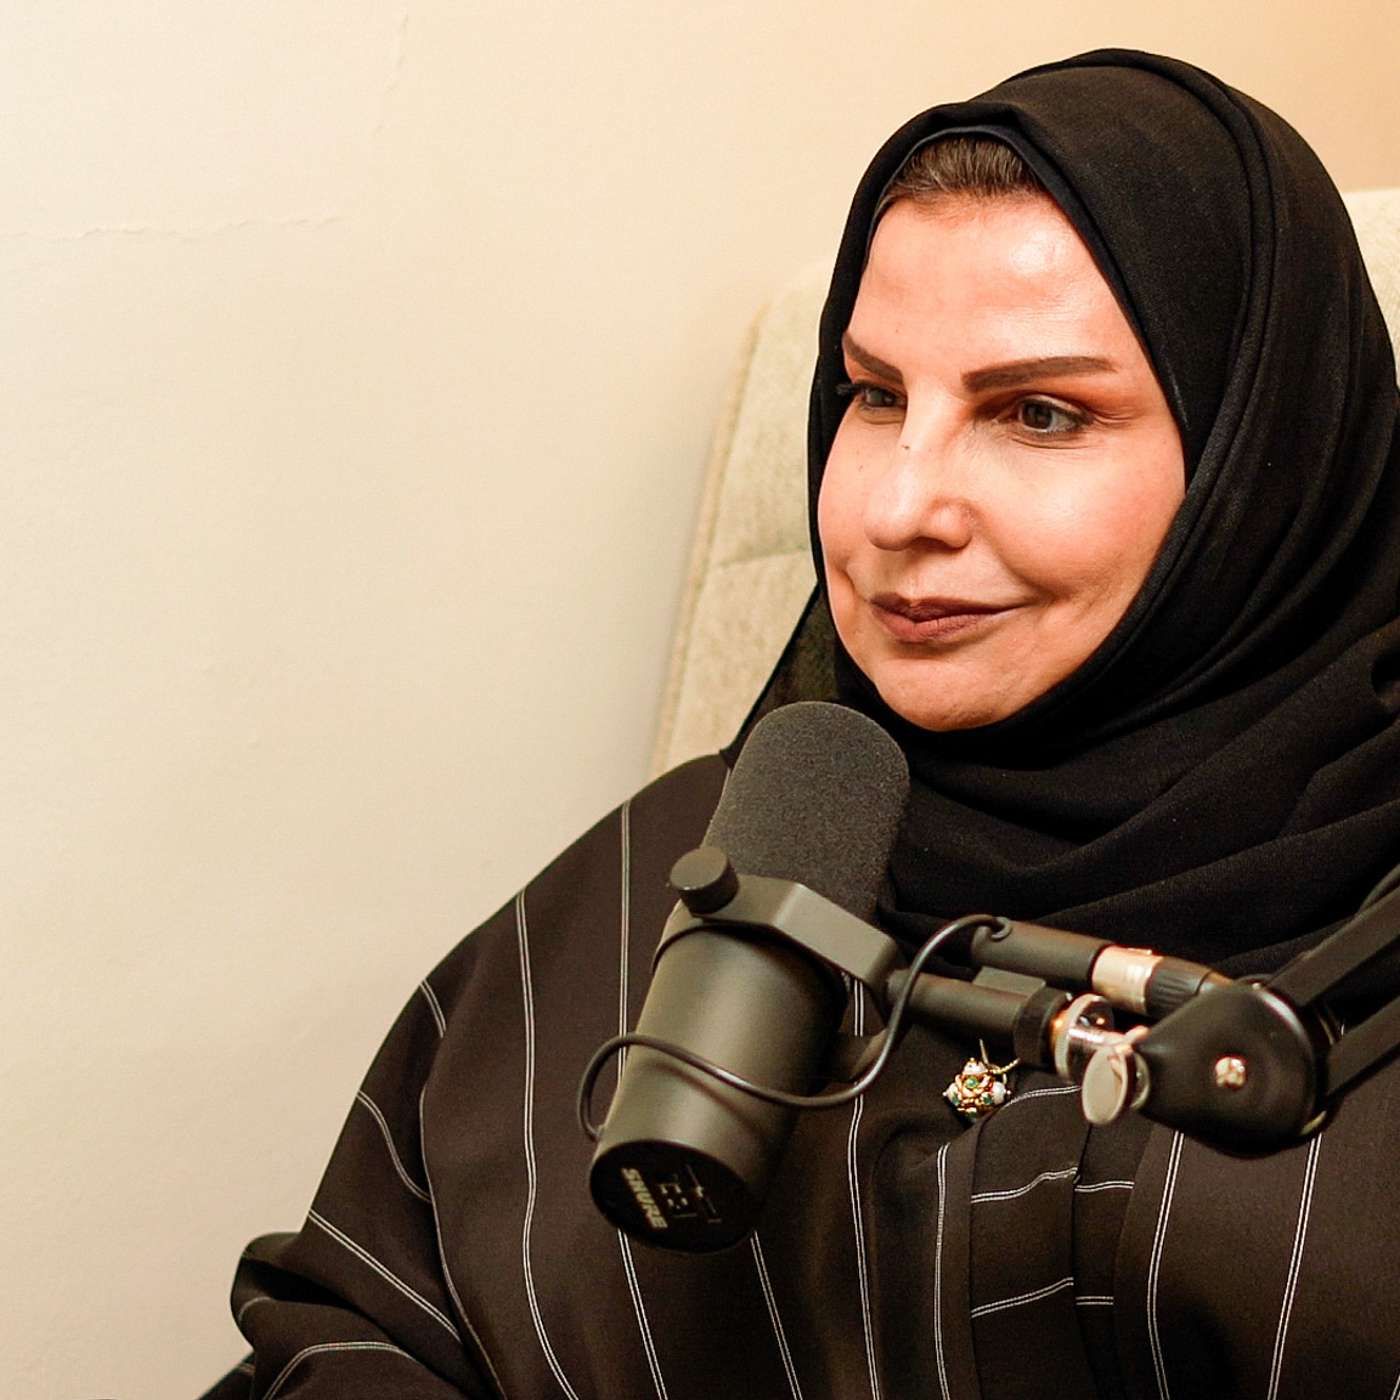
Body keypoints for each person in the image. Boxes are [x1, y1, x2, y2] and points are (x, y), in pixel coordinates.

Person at [202, 49, 1400, 1399]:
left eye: (1040, 413)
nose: (895, 508)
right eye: (876, 395)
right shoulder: (687, 862)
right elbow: (352, 1321)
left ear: (1268, 459)